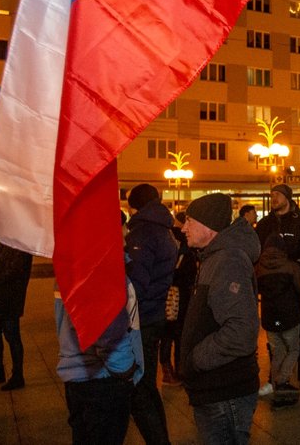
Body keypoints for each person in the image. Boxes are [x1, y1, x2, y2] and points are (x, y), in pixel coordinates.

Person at [180, 193, 261, 445]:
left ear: (209, 226)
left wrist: (196, 358)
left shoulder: (228, 261)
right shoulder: (213, 258)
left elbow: (241, 331)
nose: (183, 228)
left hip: (225, 392)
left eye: (189, 221)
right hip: (215, 388)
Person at [56, 268, 144, 444]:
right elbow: (107, 332)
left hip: (77, 375)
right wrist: (126, 368)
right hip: (102, 381)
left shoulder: (70, 266)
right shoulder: (101, 267)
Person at [255, 184, 300, 401]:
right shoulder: (265, 224)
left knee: (298, 334)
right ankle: (274, 379)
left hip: (293, 292)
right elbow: (255, 252)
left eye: (277, 195)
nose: (273, 198)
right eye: (271, 194)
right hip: (270, 293)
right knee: (273, 338)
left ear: (288, 198)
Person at [125, 183, 177, 445]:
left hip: (141, 319)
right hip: (153, 315)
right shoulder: (163, 229)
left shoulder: (143, 233)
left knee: (139, 391)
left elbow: (136, 284)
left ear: (134, 206)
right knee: (147, 387)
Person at [256, 232, 300, 409]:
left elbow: (256, 289)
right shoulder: (291, 266)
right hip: (288, 315)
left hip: (270, 317)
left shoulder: (259, 268)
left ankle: (277, 386)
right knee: (293, 349)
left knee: (277, 351)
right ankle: (282, 380)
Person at [0, 242, 33, 390]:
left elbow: (15, 270)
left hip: (10, 298)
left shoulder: (21, 242)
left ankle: (17, 376)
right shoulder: (5, 240)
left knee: (12, 336)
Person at [160, 211, 198, 386]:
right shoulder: (183, 251)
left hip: (179, 297)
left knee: (176, 333)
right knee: (171, 333)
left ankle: (177, 368)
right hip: (174, 297)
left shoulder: (186, 251)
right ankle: (170, 370)